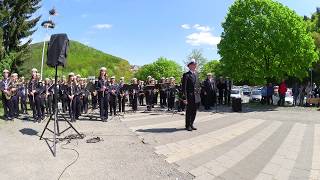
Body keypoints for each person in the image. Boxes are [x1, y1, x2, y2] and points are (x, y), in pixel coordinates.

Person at [182, 59, 201, 131]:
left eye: (195, 65)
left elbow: (198, 86)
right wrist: (184, 98)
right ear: (189, 66)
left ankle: (191, 124)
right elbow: (184, 88)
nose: (194, 66)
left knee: (194, 111)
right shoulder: (186, 75)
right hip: (189, 97)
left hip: (196, 97)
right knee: (189, 111)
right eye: (193, 65)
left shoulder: (196, 74)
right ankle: (187, 125)